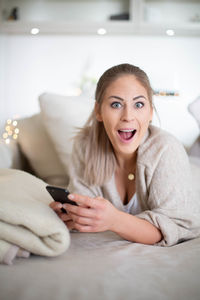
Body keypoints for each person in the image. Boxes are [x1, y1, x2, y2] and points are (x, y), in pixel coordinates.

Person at [50, 63, 200, 246]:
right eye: (116, 104)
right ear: (98, 111)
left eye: (138, 104)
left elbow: (174, 229)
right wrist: (74, 216)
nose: (128, 116)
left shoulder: (167, 149)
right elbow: (86, 211)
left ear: (150, 112)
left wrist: (115, 220)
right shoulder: (85, 145)